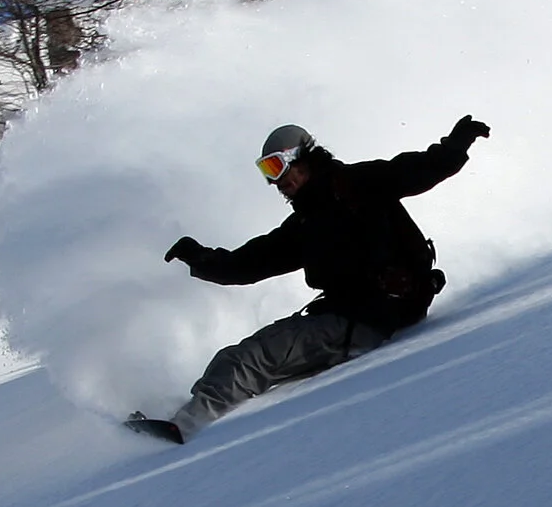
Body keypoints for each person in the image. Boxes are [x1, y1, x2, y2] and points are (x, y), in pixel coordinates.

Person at [125, 116, 489, 443]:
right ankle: (183, 414)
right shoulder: (306, 224)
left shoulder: (359, 185)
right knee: (247, 360)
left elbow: (421, 169)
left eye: (277, 166)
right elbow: (248, 264)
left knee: (250, 357)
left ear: (303, 157)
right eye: (266, 172)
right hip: (351, 317)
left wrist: (456, 143)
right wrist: (200, 257)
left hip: (369, 317)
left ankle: (181, 430)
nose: (276, 181)